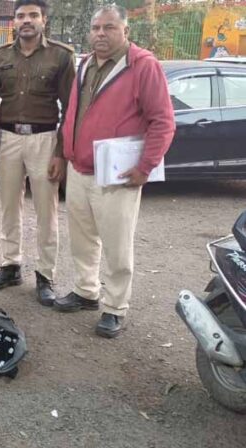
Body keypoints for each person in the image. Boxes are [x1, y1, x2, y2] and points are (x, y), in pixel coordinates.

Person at [54, 5, 175, 338]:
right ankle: (86, 291)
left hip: (118, 175)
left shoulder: (143, 66)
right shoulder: (85, 64)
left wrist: (145, 167)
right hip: (79, 169)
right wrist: (63, 154)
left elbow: (163, 121)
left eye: (109, 27)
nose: (100, 34)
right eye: (96, 27)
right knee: (82, 239)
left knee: (117, 246)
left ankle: (115, 307)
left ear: (125, 31)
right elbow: (72, 113)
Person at [0, 0, 76, 307]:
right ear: (14, 21)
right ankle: (10, 265)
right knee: (9, 205)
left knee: (46, 211)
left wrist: (60, 152)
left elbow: (70, 108)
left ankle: (45, 274)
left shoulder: (61, 56)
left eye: (33, 15)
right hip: (8, 137)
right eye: (21, 15)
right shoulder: (0, 57)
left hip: (43, 139)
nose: (26, 20)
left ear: (43, 20)